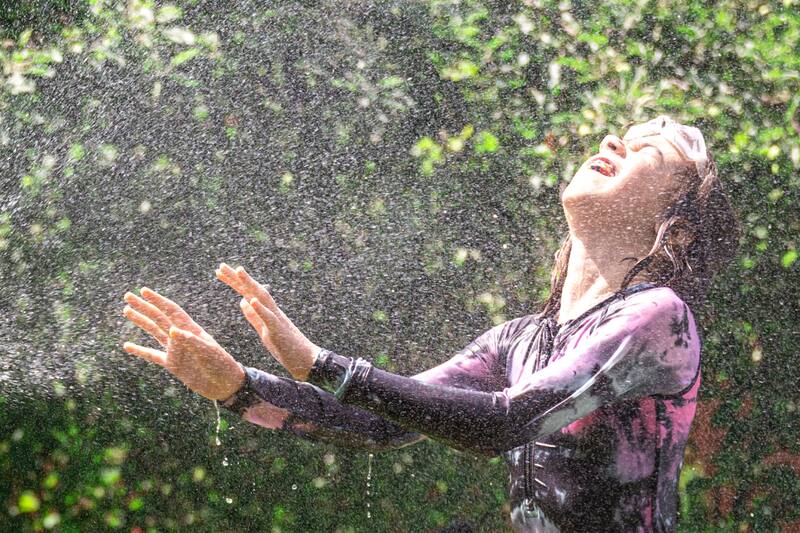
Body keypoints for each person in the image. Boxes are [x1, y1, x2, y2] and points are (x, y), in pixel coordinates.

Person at [121, 116, 739, 532]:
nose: (612, 144)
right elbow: (377, 425)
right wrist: (236, 385)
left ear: (675, 226)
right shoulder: (519, 339)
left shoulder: (657, 319)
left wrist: (320, 363)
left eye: (646, 151)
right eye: (617, 136)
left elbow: (501, 423)